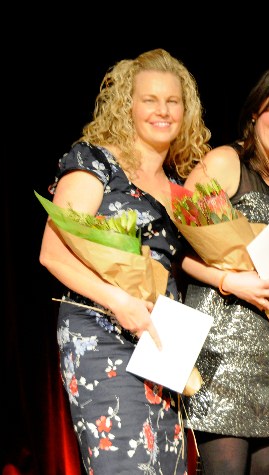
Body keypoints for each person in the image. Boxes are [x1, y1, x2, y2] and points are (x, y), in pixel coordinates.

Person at [38, 48, 211, 473]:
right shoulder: (95, 162)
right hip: (101, 334)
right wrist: (118, 302)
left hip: (160, 341)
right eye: (149, 100)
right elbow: (52, 253)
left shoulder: (177, 184)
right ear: (127, 106)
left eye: (172, 101)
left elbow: (183, 263)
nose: (163, 111)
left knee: (165, 465)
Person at [180, 64, 269, 475]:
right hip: (223, 348)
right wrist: (229, 280)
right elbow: (177, 250)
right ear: (256, 111)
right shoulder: (226, 161)